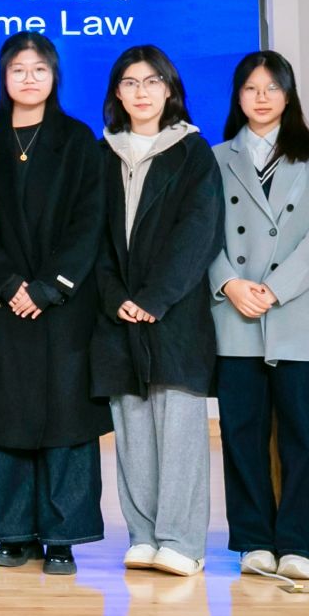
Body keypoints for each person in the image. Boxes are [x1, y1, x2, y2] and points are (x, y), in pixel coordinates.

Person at [209, 51, 309, 583]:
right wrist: (229, 282)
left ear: (288, 96)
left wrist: (276, 288)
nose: (261, 97)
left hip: (301, 310)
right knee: (241, 432)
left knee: (306, 433)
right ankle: (252, 541)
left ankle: (300, 543)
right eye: (251, 88)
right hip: (237, 311)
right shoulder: (216, 157)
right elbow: (202, 230)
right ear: (238, 97)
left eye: (272, 88)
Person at [0, 33, 109, 577]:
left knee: (65, 419)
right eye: (18, 69)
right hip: (3, 305)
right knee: (6, 414)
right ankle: (13, 533)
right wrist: (9, 283)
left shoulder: (79, 141)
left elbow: (90, 222)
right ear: (3, 78)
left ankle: (63, 535)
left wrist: (50, 286)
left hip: (63, 306)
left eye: (39, 69)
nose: (29, 78)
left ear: (54, 76)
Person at [91, 45, 221, 577]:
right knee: (132, 427)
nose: (141, 92)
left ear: (169, 89)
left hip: (175, 313)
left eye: (151, 82)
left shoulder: (193, 153)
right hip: (117, 313)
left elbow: (200, 232)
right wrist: (113, 296)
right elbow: (92, 237)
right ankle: (143, 535)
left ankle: (183, 542)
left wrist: (154, 298)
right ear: (117, 94)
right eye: (129, 83)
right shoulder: (102, 154)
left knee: (179, 428)